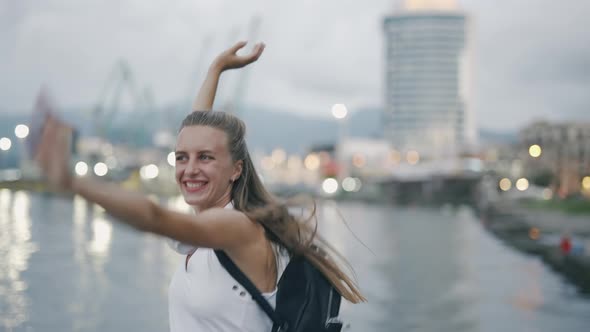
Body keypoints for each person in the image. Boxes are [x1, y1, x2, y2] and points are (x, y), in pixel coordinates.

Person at [35, 41, 365, 332]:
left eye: (204, 158)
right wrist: (215, 71)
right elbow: (198, 130)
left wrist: (72, 182)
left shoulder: (235, 226)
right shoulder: (207, 228)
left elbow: (153, 216)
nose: (189, 170)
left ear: (236, 170)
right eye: (181, 158)